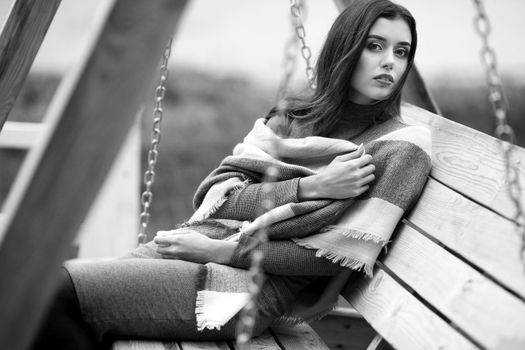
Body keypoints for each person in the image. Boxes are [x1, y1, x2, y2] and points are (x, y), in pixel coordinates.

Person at [31, 0, 432, 349]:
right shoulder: (292, 120)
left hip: (249, 290)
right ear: (346, 48)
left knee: (53, 296)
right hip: (202, 242)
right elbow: (218, 195)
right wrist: (310, 186)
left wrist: (222, 252)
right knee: (48, 303)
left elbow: (330, 259)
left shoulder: (399, 147)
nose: (389, 63)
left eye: (401, 51)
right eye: (375, 46)